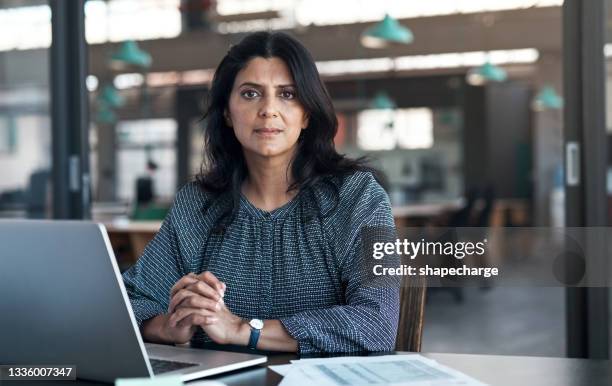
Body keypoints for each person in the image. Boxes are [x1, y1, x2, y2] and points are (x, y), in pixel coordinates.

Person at [122, 31, 399, 354]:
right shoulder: (197, 204)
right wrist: (169, 327)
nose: (268, 109)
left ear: (307, 113)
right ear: (227, 111)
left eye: (287, 95)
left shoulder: (359, 198)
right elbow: (128, 301)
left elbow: (377, 323)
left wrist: (242, 329)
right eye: (251, 94)